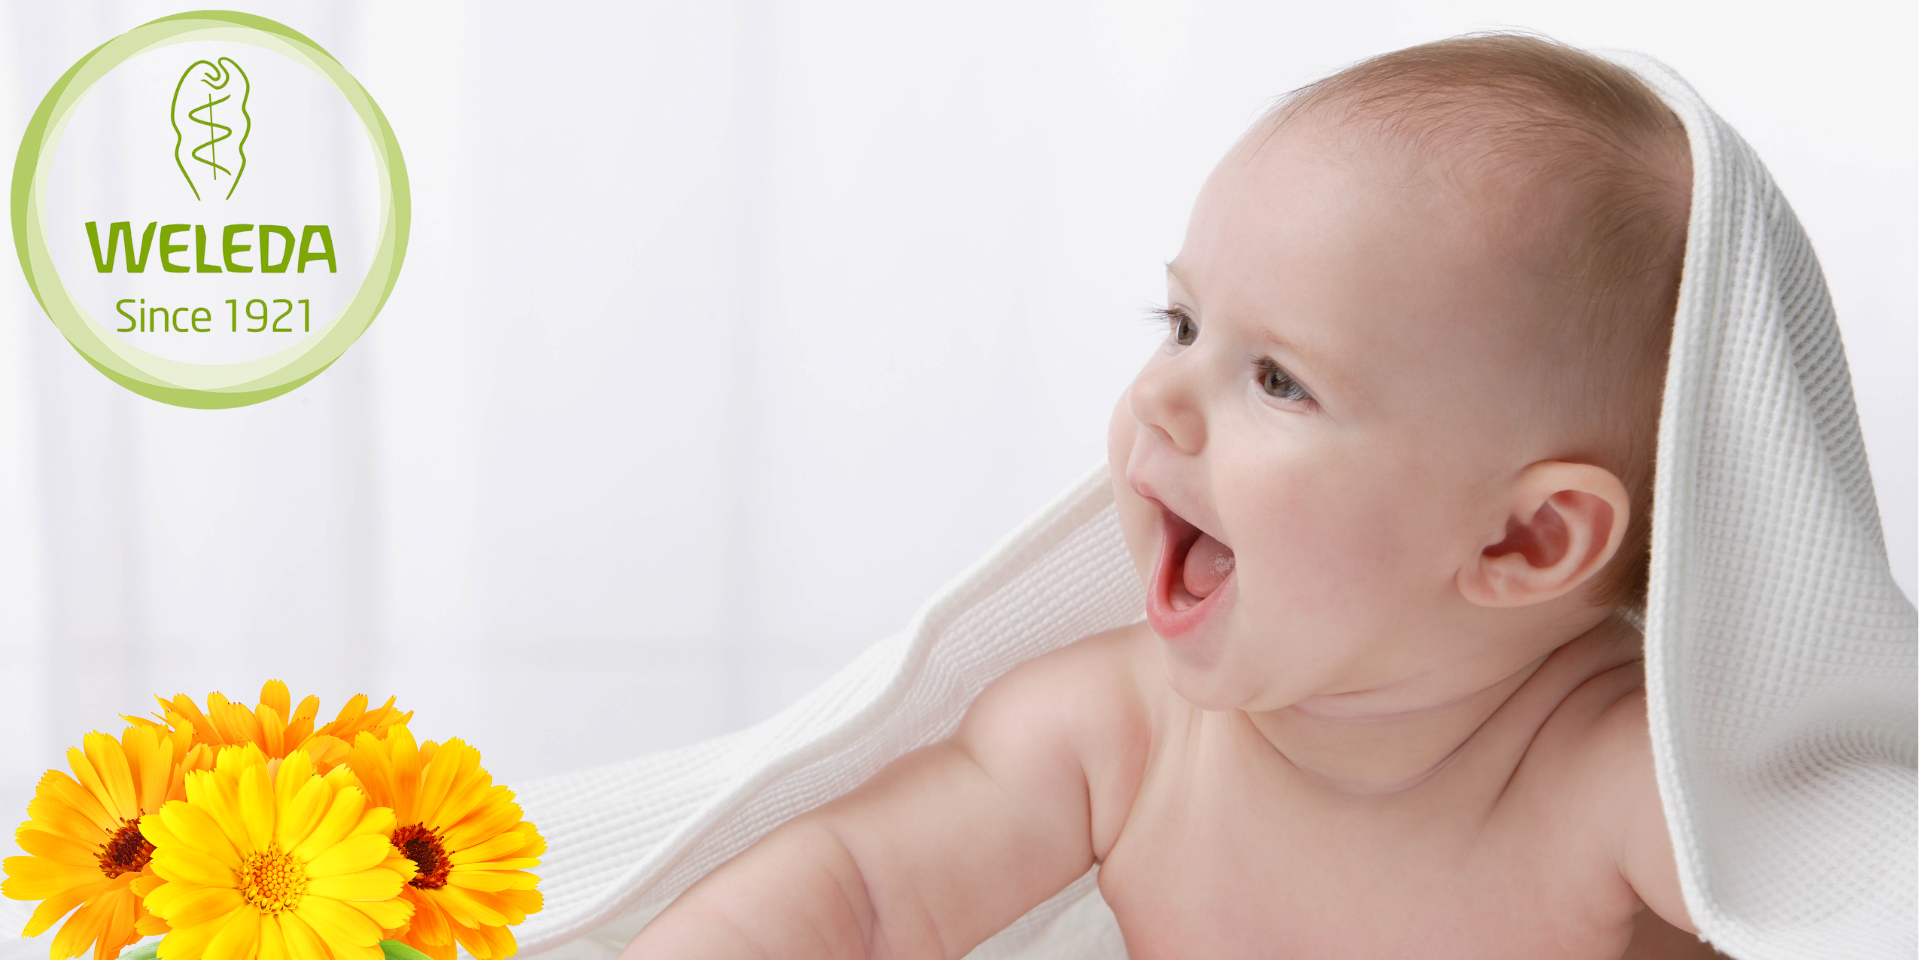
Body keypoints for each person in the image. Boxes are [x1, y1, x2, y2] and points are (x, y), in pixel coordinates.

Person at [624, 33, 1726, 959]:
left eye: (1278, 379)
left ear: (1524, 538)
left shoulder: (1631, 777)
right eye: (1183, 325)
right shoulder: (1120, 730)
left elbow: (1815, 902)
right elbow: (860, 891)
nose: (1158, 396)